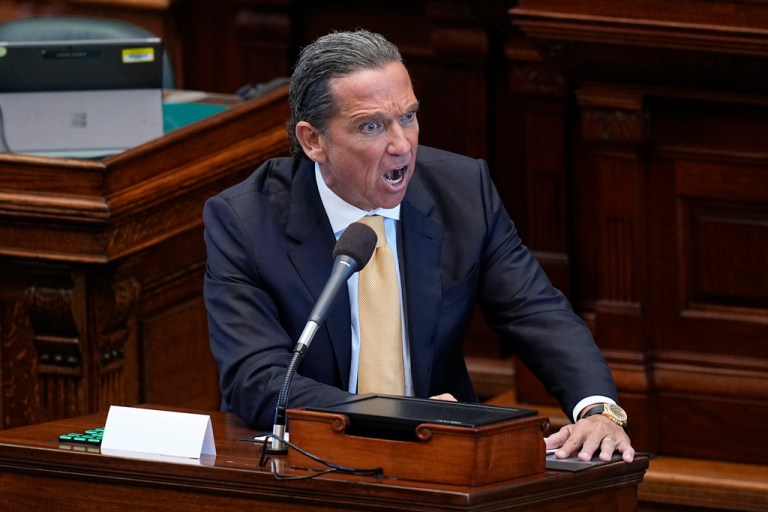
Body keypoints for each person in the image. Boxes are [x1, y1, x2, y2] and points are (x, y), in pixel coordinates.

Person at [203, 29, 635, 463]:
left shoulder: (463, 191)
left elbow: (534, 309)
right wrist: (399, 416)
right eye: (371, 126)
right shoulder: (244, 221)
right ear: (314, 141)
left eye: (407, 117)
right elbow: (256, 379)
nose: (401, 144)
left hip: (441, 456)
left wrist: (596, 408)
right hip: (308, 456)